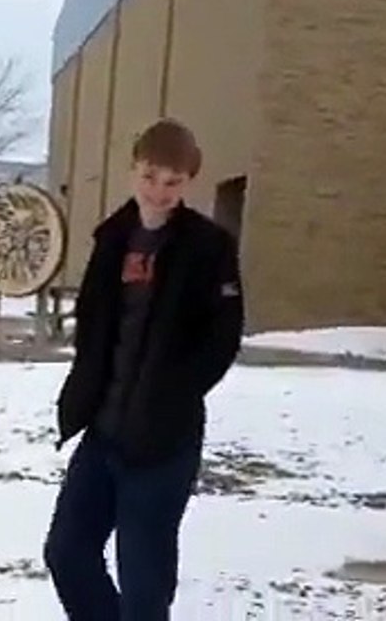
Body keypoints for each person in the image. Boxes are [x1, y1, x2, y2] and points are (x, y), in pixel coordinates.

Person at [43, 118, 245, 620]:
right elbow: (94, 326)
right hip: (104, 432)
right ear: (134, 170)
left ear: (188, 182)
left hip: (162, 444)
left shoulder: (209, 248)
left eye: (172, 181)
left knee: (144, 585)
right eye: (150, 176)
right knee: (66, 552)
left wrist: (174, 395)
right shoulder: (112, 238)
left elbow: (222, 340)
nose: (158, 191)